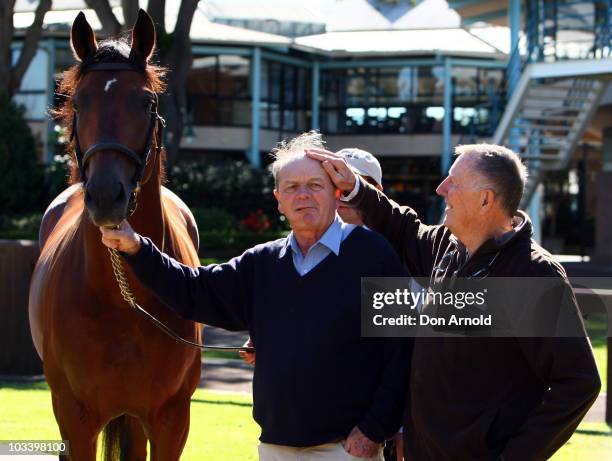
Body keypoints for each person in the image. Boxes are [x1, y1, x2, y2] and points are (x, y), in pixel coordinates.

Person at [100, 132, 411, 461]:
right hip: (275, 448)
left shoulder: (374, 254)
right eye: (292, 187)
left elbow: (403, 350)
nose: (303, 195)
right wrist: (136, 248)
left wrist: (373, 431)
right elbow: (193, 290)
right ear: (278, 199)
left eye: (315, 185)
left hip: (345, 450)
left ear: (336, 193)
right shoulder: (261, 263)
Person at [307, 144, 601, 460]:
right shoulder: (448, 247)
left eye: (453, 182)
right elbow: (402, 227)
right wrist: (355, 188)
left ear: (485, 199)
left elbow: (578, 382)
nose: (441, 189)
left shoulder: (533, 274)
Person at [240, 146, 384, 365]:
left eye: (354, 185)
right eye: (336, 182)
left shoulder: (395, 251)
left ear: (377, 191)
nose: (344, 194)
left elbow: (401, 341)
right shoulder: (299, 249)